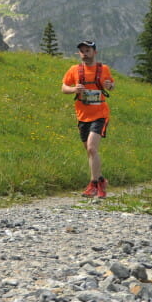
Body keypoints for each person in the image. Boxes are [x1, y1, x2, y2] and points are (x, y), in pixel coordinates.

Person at [61, 40, 115, 198]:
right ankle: (101, 179)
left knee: (92, 148)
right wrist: (73, 89)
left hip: (100, 114)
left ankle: (94, 185)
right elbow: (64, 88)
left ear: (95, 52)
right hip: (82, 115)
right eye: (82, 51)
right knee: (90, 151)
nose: (85, 54)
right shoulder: (74, 70)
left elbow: (111, 86)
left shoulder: (103, 69)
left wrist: (108, 86)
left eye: (88, 50)